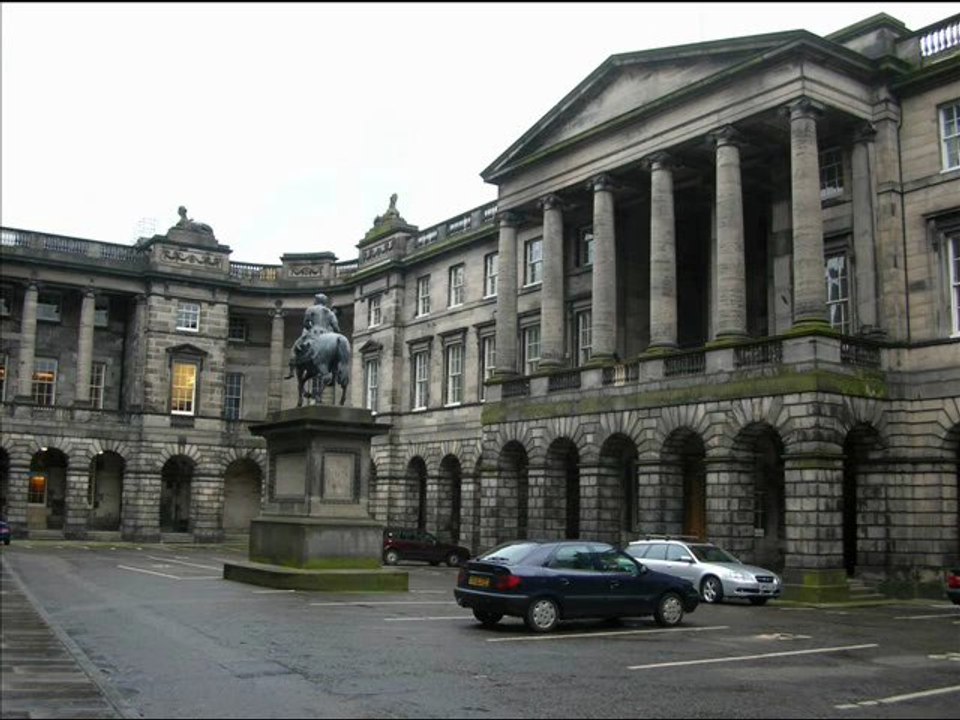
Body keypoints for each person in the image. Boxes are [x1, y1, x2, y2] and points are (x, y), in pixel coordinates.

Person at [285, 293, 340, 378]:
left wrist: (310, 328)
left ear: (317, 300)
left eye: (314, 300)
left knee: (295, 347)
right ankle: (337, 371)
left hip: (313, 333)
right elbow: (336, 327)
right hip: (326, 335)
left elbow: (305, 323)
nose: (314, 301)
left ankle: (291, 371)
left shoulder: (310, 309)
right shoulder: (330, 312)